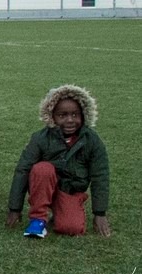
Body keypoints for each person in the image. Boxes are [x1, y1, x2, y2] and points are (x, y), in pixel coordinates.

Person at [6, 84, 111, 238]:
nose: (70, 120)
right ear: (52, 116)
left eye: (75, 115)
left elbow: (100, 175)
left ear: (84, 115)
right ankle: (38, 219)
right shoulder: (40, 138)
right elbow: (23, 170)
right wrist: (15, 209)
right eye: (62, 115)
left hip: (70, 190)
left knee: (71, 228)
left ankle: (62, 211)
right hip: (44, 186)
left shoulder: (92, 140)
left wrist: (99, 213)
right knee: (42, 169)